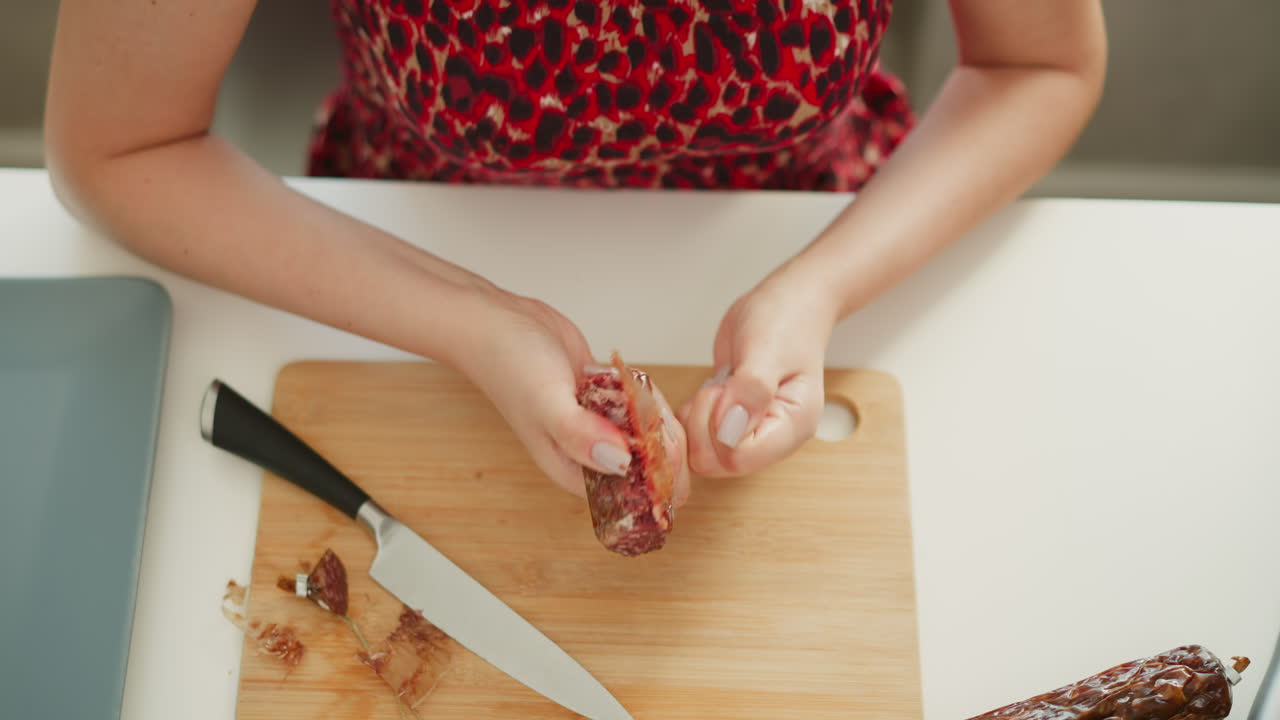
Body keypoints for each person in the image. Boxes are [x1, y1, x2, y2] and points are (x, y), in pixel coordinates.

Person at [43, 1, 1106, 507]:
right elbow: (119, 148)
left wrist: (819, 286)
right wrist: (470, 318)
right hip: (397, 241)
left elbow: (1038, 65)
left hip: (816, 215)